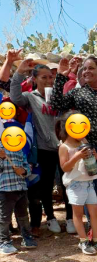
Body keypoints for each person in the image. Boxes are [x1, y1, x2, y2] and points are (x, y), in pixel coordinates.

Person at [49, 56, 97, 241]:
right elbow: (56, 104)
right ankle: (93, 228)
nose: (86, 71)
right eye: (84, 69)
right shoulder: (78, 94)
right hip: (85, 150)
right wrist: (62, 75)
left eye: (91, 68)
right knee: (90, 189)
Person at [10, 59, 75, 234]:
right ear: (35, 79)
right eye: (44, 77)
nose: (48, 80)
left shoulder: (57, 95)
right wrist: (19, 73)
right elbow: (15, 97)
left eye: (51, 77)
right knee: (45, 186)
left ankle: (70, 218)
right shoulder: (30, 97)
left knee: (67, 183)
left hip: (64, 147)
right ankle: (51, 218)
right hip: (44, 149)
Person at [56, 111, 97, 254]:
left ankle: (96, 240)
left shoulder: (84, 142)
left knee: (95, 212)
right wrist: (77, 156)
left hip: (89, 182)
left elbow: (92, 160)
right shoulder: (64, 146)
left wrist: (94, 155)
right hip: (75, 184)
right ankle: (83, 241)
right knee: (78, 214)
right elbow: (65, 167)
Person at [0, 143, 37, 254]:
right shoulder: (1, 148)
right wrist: (1, 158)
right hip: (5, 188)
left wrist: (23, 171)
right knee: (5, 217)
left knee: (23, 215)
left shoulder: (19, 149)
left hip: (21, 188)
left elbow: (27, 168)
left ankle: (27, 237)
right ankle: (4, 241)